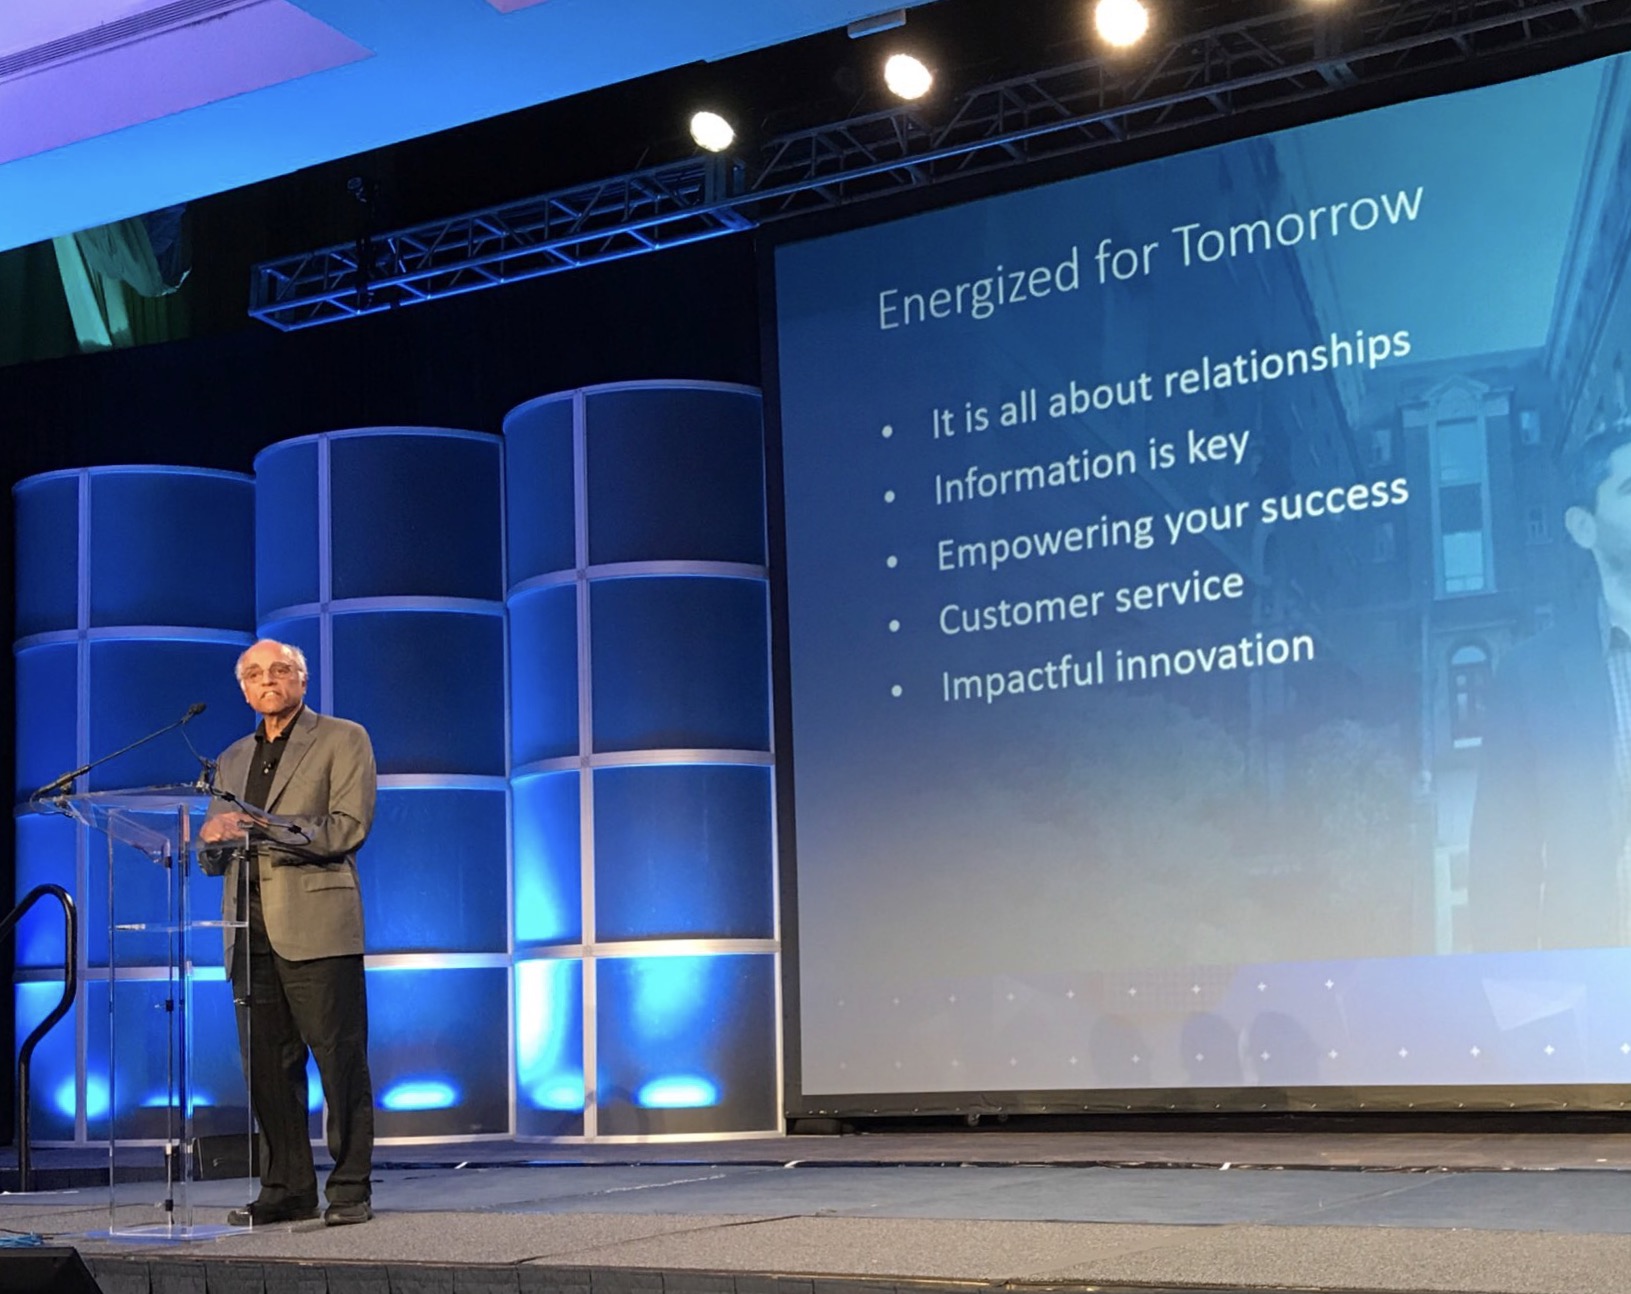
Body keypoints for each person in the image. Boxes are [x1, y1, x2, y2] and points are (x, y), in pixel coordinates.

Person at [198, 638, 377, 1227]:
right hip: (247, 929)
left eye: (279, 670)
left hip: (317, 925)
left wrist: (261, 826)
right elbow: (212, 857)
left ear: (301, 679)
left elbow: (346, 828)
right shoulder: (230, 758)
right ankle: (287, 1187)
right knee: (267, 1069)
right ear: (244, 689)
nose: (267, 680)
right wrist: (209, 839)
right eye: (255, 674)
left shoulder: (343, 738)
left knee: (338, 1059)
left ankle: (349, 1188)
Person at [1469, 424, 1631, 952]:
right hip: (1597, 979)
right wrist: (1517, 988)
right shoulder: (1530, 676)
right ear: (1583, 527)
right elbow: (1502, 858)